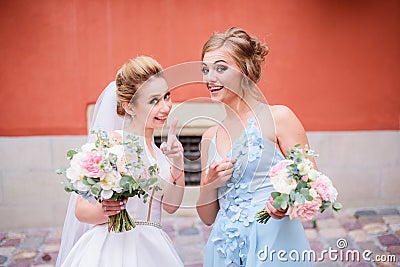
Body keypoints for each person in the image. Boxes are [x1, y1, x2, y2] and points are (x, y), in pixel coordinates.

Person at [196, 27, 313, 266]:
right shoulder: (209, 137)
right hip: (224, 250)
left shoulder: (279, 118)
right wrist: (209, 185)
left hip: (274, 244)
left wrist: (286, 203)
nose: (210, 78)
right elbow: (207, 218)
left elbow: (311, 184)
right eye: (205, 70)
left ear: (246, 70)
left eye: (221, 68)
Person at [58, 56, 185, 267]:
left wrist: (178, 162)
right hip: (110, 248)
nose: (165, 107)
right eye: (154, 101)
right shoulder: (110, 143)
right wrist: (105, 211)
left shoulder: (161, 152)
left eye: (167, 96)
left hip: (154, 249)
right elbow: (80, 210)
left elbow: (172, 206)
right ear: (129, 107)